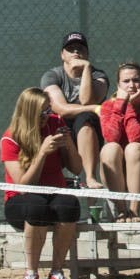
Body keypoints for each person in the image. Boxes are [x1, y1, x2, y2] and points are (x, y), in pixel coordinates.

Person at [0, 87, 83, 279]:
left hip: (53, 193)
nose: (49, 116)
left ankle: (56, 273)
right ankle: (31, 274)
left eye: (49, 110)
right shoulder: (10, 139)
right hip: (21, 198)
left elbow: (76, 168)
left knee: (68, 204)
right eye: (43, 112)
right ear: (29, 113)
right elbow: (23, 185)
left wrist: (69, 144)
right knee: (36, 205)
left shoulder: (56, 123)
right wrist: (42, 153)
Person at [40, 31, 109, 189]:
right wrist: (94, 107)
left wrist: (86, 68)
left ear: (87, 54)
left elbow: (86, 100)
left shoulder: (98, 75)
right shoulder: (52, 75)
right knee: (85, 113)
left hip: (90, 128)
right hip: (59, 127)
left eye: (80, 48)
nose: (76, 52)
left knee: (85, 118)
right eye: (70, 49)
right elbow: (61, 109)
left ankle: (90, 178)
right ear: (62, 55)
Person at [98, 61, 140, 222]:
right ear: (118, 85)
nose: (132, 85)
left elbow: (137, 138)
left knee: (134, 148)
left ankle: (134, 211)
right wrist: (122, 105)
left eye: (136, 80)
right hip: (115, 174)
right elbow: (111, 137)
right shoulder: (107, 106)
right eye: (126, 81)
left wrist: (129, 106)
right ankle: (122, 211)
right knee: (109, 148)